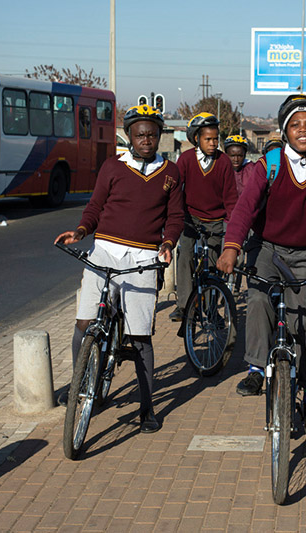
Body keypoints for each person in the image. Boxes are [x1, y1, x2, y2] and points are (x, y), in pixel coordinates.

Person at [216, 94, 306, 438]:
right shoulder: (270, 164)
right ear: (285, 130)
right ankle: (256, 368)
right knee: (260, 300)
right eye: (295, 124)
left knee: (305, 321)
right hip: (265, 248)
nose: (302, 130)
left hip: (305, 254)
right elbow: (246, 207)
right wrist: (231, 247)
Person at [54, 105, 183, 433]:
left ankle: (147, 407)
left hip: (142, 259)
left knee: (140, 335)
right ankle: (78, 382)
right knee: (84, 322)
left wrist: (167, 243)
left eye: (152, 134)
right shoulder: (113, 166)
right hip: (105, 252)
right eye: (140, 134)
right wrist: (81, 231)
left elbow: (175, 217)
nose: (146, 140)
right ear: (129, 135)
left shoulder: (170, 172)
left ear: (159, 136)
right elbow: (95, 206)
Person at [170, 113, 238, 322]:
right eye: (208, 139)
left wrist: (234, 225)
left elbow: (231, 198)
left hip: (215, 222)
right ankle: (184, 305)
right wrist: (177, 215)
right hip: (191, 219)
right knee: (185, 258)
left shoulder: (224, 162)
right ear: (197, 139)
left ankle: (210, 310)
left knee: (213, 265)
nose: (213, 143)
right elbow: (176, 190)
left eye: (216, 139)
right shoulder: (187, 159)